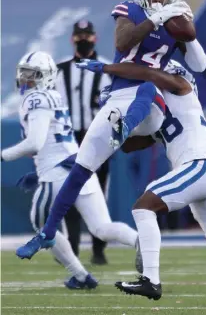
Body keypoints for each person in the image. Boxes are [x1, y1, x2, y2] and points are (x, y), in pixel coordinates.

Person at [15, 0, 206, 258]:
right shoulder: (130, 9)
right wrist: (155, 18)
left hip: (149, 105)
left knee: (150, 86)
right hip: (117, 97)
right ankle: (46, 234)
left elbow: (200, 65)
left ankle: (124, 128)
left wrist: (189, 36)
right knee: (80, 169)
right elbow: (123, 43)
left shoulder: (173, 22)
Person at [1, 51, 139, 289]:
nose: (25, 79)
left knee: (43, 226)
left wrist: (3, 156)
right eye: (23, 73)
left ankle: (81, 275)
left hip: (56, 171)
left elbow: (35, 142)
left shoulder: (36, 99)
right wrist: (38, 172)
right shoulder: (54, 96)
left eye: (31, 75)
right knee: (101, 228)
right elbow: (51, 141)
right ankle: (143, 241)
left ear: (44, 76)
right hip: (79, 165)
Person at [89, 58, 206, 300]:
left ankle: (151, 281)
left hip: (199, 165)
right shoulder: (159, 110)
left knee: (144, 206)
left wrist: (110, 69)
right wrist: (114, 119)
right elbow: (130, 146)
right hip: (202, 173)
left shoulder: (182, 88)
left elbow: (148, 74)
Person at [56, 20, 111, 264]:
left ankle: (98, 250)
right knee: (69, 196)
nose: (83, 39)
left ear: (95, 38)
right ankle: (73, 251)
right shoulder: (59, 71)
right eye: (79, 35)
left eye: (87, 35)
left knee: (98, 196)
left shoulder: (108, 70)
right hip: (69, 141)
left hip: (98, 139)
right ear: (72, 39)